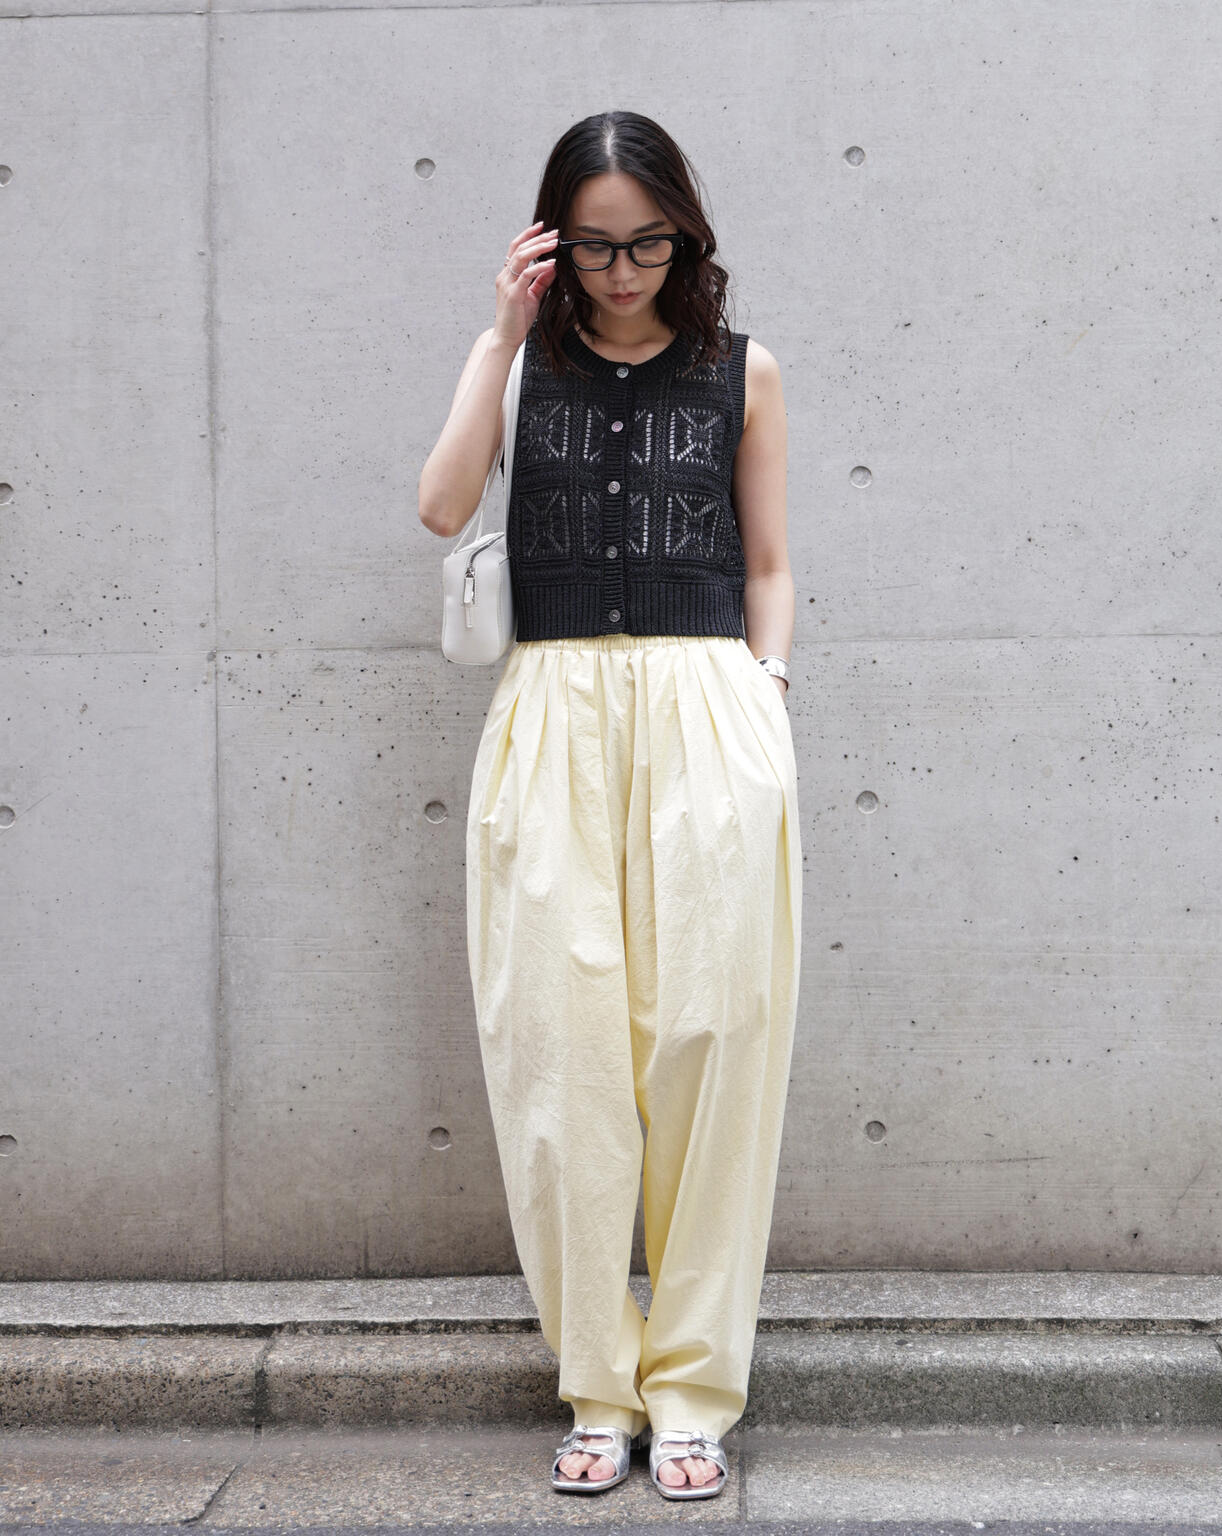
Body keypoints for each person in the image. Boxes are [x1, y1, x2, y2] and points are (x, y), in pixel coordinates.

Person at [418, 110, 802, 1501]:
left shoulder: (743, 371)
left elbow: (770, 562)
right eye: (594, 246)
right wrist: (498, 337)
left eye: (647, 245)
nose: (623, 271)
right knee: (562, 1061)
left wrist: (765, 698)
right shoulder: (521, 365)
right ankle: (598, 1383)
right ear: (551, 243)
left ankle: (692, 1391)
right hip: (553, 717)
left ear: (684, 239)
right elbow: (440, 504)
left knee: (710, 1046)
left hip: (710, 714)